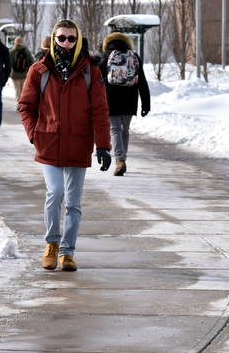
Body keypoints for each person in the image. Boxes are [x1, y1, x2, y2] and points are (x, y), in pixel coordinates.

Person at [18, 19, 111, 272]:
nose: (67, 43)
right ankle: (51, 244)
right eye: (62, 38)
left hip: (79, 144)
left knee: (73, 202)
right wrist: (33, 134)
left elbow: (101, 111)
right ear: (54, 39)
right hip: (48, 142)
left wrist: (103, 145)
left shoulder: (92, 71)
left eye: (72, 38)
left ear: (78, 39)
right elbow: (26, 106)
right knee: (55, 193)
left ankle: (68, 253)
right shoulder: (39, 69)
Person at [97, 32, 151, 176]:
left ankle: (120, 160)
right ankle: (122, 159)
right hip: (130, 100)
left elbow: (97, 78)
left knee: (114, 129)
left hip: (110, 99)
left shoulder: (106, 55)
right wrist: (146, 104)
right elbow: (142, 82)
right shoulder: (134, 56)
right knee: (125, 130)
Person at [9, 36, 34, 110]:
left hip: (14, 74)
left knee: (17, 89)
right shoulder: (26, 50)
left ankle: (19, 103)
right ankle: (22, 102)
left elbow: (8, 62)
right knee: (22, 88)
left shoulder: (12, 51)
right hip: (23, 73)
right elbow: (31, 61)